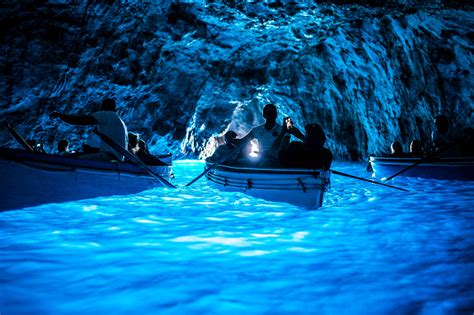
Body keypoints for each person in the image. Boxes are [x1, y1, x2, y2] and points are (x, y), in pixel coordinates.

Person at [50, 98, 128, 161]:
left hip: (107, 157)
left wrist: (60, 115)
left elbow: (78, 120)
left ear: (104, 107)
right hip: (118, 158)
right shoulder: (121, 122)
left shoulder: (106, 114)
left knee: (72, 159)